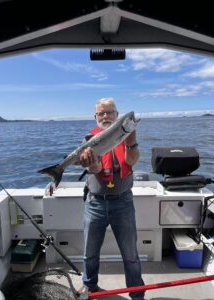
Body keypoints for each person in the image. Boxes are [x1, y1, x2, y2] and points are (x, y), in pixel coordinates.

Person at [79, 98, 145, 300]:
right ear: (96, 117)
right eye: (102, 113)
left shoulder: (124, 135)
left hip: (123, 202)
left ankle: (136, 293)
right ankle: (89, 287)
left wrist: (131, 140)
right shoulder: (90, 139)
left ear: (117, 115)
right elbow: (96, 169)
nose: (106, 116)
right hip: (95, 203)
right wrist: (92, 166)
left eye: (110, 112)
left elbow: (132, 160)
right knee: (89, 253)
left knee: (131, 254)